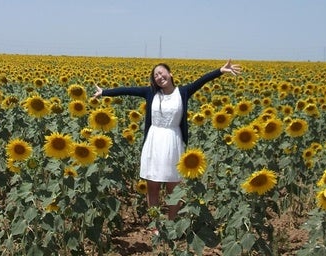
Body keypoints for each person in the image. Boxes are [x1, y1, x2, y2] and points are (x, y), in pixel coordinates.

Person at [91, 60, 241, 221]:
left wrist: (220, 70)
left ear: (170, 74)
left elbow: (202, 81)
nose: (159, 76)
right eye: (155, 75)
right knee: (152, 185)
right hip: (154, 140)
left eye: (161, 72)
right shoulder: (151, 93)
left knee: (173, 186)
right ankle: (155, 224)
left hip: (173, 140)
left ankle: (172, 224)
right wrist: (104, 92)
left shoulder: (183, 92)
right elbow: (128, 90)